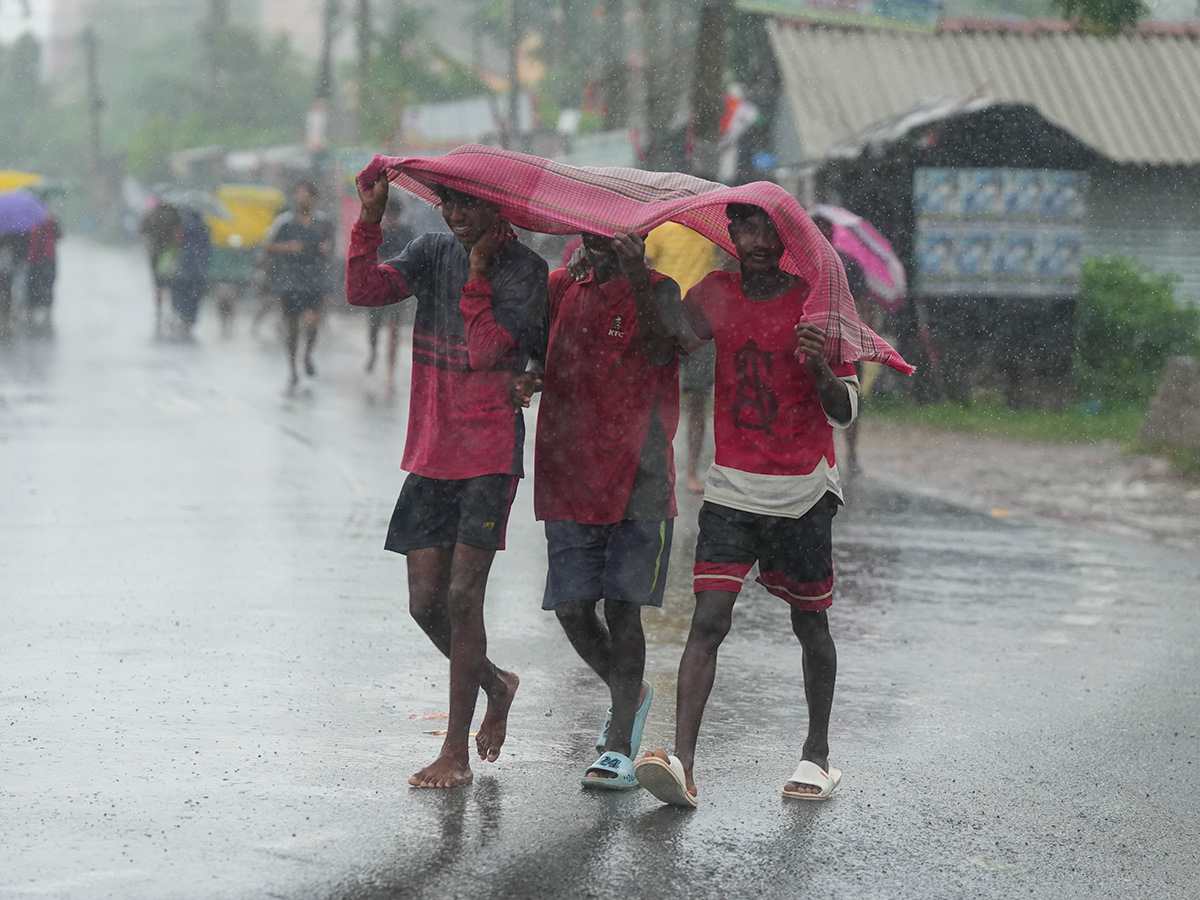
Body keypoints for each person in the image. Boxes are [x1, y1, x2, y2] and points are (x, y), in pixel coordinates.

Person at [635, 203, 860, 808]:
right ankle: (682, 764)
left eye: (769, 231)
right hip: (733, 488)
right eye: (746, 229)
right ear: (730, 235)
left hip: (804, 491)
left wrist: (817, 366)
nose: (758, 241)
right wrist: (638, 274)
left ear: (786, 239)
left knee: (809, 622)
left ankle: (817, 755)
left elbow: (846, 410)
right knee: (708, 621)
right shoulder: (715, 292)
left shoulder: (819, 301)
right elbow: (665, 346)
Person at [346, 173, 548, 789]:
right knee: (424, 601)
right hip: (432, 449)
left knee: (463, 596)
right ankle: (495, 683)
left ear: (496, 203)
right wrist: (370, 219)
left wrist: (481, 272)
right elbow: (362, 289)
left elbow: (489, 351)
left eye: (470, 201)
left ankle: (455, 751)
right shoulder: (432, 251)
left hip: (487, 450)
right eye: (450, 201)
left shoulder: (525, 270)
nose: (457, 212)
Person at [512, 231, 682, 790]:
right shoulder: (561, 286)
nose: (603, 240)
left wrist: (633, 278)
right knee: (572, 608)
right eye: (593, 229)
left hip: (641, 474)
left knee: (622, 609)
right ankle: (627, 694)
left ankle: (618, 745)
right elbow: (539, 346)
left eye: (619, 231)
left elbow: (661, 353)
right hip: (569, 469)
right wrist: (531, 372)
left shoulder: (661, 289)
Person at [644, 222, 723, 495]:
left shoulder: (709, 232)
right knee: (655, 397)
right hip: (666, 318)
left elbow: (725, 261)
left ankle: (691, 469)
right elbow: (647, 265)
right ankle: (655, 467)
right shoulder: (661, 230)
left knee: (698, 400)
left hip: (702, 322)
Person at [811, 212, 871, 475]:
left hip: (845, 340)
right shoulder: (801, 264)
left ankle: (851, 452)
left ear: (833, 234)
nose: (823, 235)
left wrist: (864, 335)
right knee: (814, 397)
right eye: (818, 230)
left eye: (826, 230)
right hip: (812, 339)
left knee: (849, 396)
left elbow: (864, 303)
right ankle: (821, 451)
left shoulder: (849, 265)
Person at [263, 180, 334, 388]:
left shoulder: (324, 222)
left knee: (312, 323)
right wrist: (288, 247)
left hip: (314, 280)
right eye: (299, 194)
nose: (302, 199)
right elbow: (268, 246)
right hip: (290, 280)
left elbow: (330, 247)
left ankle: (308, 355)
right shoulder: (284, 222)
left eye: (306, 195)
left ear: (314, 199)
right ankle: (293, 366)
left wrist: (325, 249)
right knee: (292, 326)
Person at [364, 196, 416, 390]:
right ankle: (373, 352)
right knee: (374, 327)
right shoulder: (379, 232)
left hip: (397, 288)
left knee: (393, 330)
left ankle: (390, 372)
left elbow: (412, 258)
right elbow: (372, 257)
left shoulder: (407, 232)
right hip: (379, 286)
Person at [139, 202, 182, 336]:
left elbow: (142, 230)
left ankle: (159, 312)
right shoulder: (175, 215)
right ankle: (173, 313)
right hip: (170, 254)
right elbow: (180, 234)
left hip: (156, 254)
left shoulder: (152, 215)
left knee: (158, 285)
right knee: (172, 284)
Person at [171, 211, 212, 340]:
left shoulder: (184, 227)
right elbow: (208, 249)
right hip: (198, 268)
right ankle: (191, 319)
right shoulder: (205, 228)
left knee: (182, 292)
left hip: (185, 265)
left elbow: (177, 243)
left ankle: (182, 315)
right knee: (195, 295)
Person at [25, 215, 60, 331]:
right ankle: (44, 309)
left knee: (38, 283)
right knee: (44, 284)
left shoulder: (31, 223)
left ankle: (37, 309)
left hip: (38, 259)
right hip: (45, 258)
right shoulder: (50, 222)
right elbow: (60, 236)